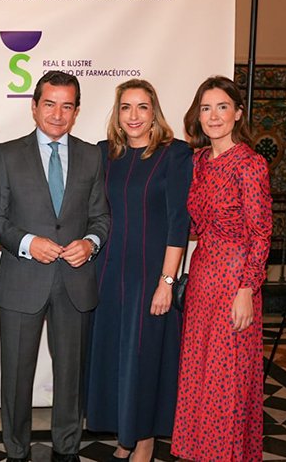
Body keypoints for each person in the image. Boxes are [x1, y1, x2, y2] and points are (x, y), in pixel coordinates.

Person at [0, 71, 110, 462]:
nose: (58, 114)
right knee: (16, 377)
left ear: (77, 111)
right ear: (34, 106)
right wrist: (28, 243)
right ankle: (16, 450)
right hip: (22, 281)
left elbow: (101, 218)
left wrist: (90, 244)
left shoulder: (93, 155)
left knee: (71, 378)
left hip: (75, 282)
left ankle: (67, 450)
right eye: (50, 104)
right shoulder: (5, 154)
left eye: (67, 106)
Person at [84, 79, 192, 461]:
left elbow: (179, 222)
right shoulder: (103, 154)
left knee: (145, 357)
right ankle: (125, 433)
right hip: (109, 273)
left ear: (154, 112)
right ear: (117, 113)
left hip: (151, 273)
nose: (133, 116)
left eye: (142, 107)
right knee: (115, 355)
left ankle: (144, 439)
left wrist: (167, 281)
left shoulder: (175, 154)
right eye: (126, 107)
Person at [171, 76, 272, 461]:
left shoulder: (250, 164)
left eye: (222, 107)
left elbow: (261, 234)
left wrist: (248, 288)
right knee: (199, 373)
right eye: (206, 108)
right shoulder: (198, 162)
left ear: (238, 113)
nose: (214, 116)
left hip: (234, 280)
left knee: (227, 379)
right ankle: (199, 452)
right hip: (201, 277)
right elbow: (195, 225)